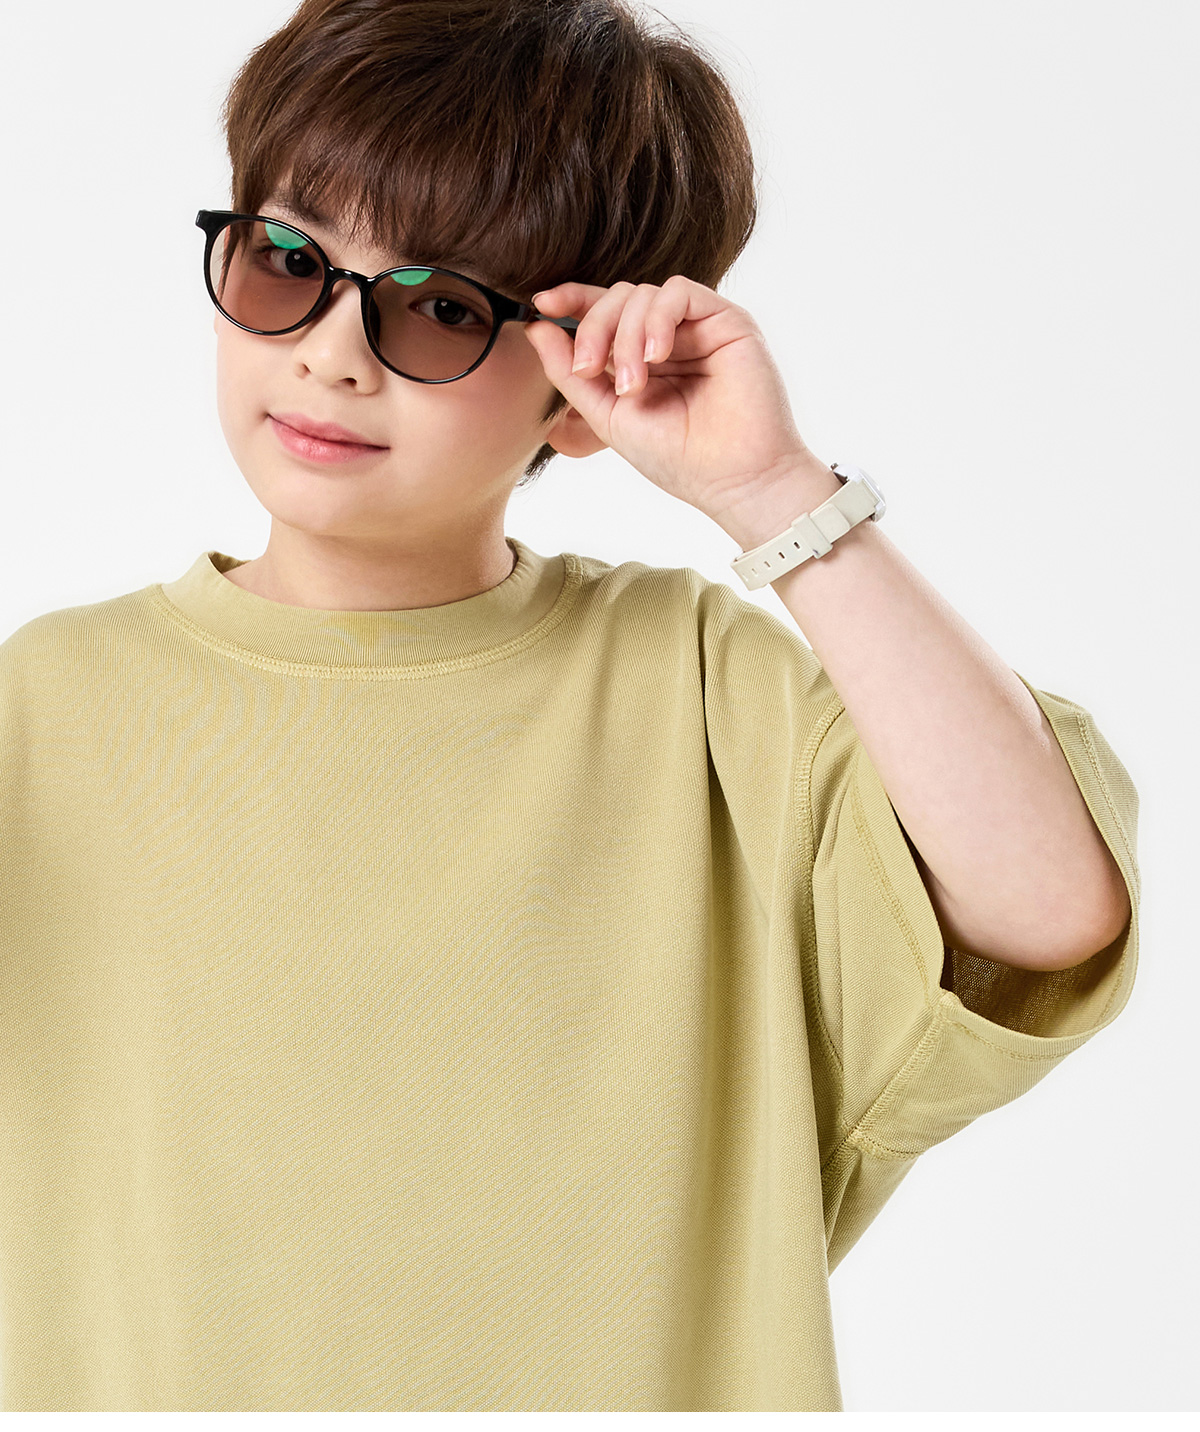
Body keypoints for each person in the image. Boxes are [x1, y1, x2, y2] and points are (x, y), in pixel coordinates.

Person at [0, 0, 1138, 1412]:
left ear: (583, 384)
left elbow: (1048, 907)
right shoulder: (44, 709)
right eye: (289, 260)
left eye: (440, 306)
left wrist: (773, 493)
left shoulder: (695, 691)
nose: (332, 354)